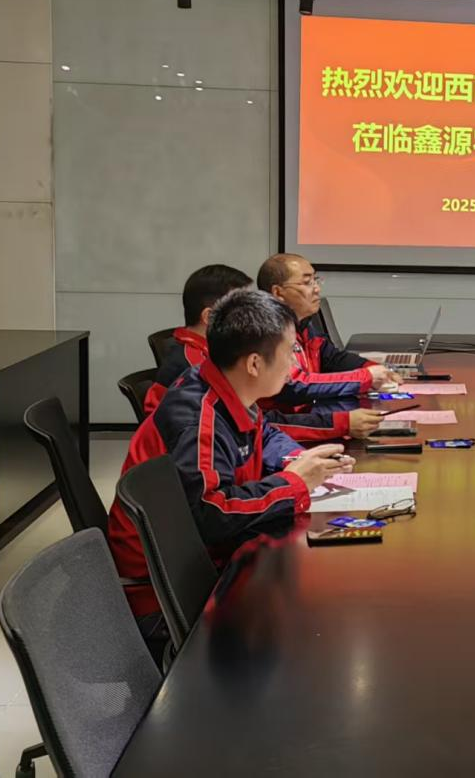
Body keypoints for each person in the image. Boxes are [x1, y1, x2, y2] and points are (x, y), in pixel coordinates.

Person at [108, 289, 356, 649]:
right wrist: (293, 484)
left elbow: (265, 434)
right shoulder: (199, 420)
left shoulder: (224, 384)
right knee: (320, 624)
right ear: (254, 364)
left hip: (209, 559)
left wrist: (299, 461)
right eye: (290, 352)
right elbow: (211, 512)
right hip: (169, 594)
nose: (294, 363)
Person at [145, 263, 385, 441]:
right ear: (210, 317)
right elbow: (258, 427)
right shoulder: (198, 367)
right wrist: (338, 423)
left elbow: (259, 428)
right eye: (243, 309)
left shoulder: (224, 353)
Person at [256, 253, 397, 402]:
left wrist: (376, 369)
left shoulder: (304, 324)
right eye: (307, 282)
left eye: (315, 280)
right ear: (278, 292)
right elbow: (293, 385)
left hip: (309, 411)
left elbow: (333, 358)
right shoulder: (266, 330)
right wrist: (365, 377)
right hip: (283, 415)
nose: (317, 289)